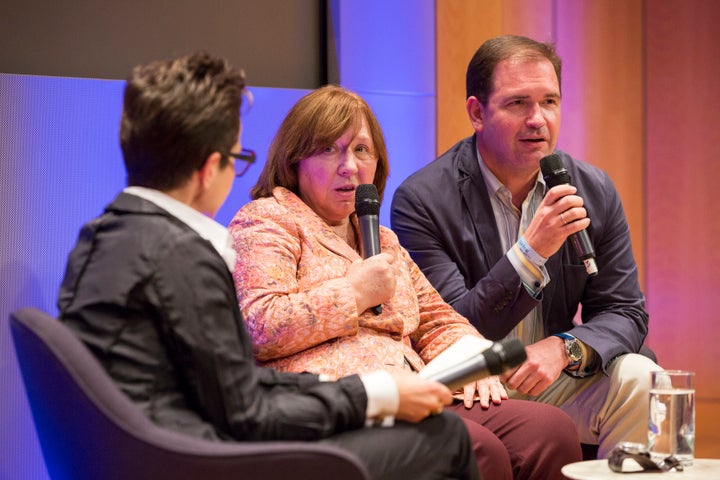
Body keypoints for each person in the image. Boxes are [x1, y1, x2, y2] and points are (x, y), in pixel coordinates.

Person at [56, 52, 482, 480]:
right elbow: (246, 411)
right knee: (446, 438)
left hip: (159, 449)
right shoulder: (182, 257)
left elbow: (232, 384)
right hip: (199, 460)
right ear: (209, 169)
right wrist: (372, 397)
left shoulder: (103, 238)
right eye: (238, 158)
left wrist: (374, 390)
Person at [229, 84, 582, 480]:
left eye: (362, 150)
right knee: (473, 448)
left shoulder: (381, 239)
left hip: (416, 389)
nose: (349, 166)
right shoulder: (267, 219)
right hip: (335, 401)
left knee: (548, 431)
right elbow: (258, 325)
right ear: (294, 161)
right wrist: (353, 293)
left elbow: (436, 320)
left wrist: (473, 363)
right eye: (329, 149)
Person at [390, 34, 660, 459]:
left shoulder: (592, 188)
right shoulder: (422, 200)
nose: (538, 119)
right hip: (471, 383)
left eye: (549, 102)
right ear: (477, 112)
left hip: (549, 373)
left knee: (644, 377)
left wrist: (565, 348)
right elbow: (453, 329)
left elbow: (624, 310)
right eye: (518, 103)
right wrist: (530, 253)